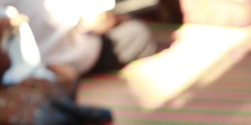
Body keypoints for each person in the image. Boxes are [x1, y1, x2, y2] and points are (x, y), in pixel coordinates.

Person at [0, 0, 157, 77]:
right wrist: (121, 19)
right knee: (138, 33)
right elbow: (98, 21)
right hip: (70, 59)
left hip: (13, 69)